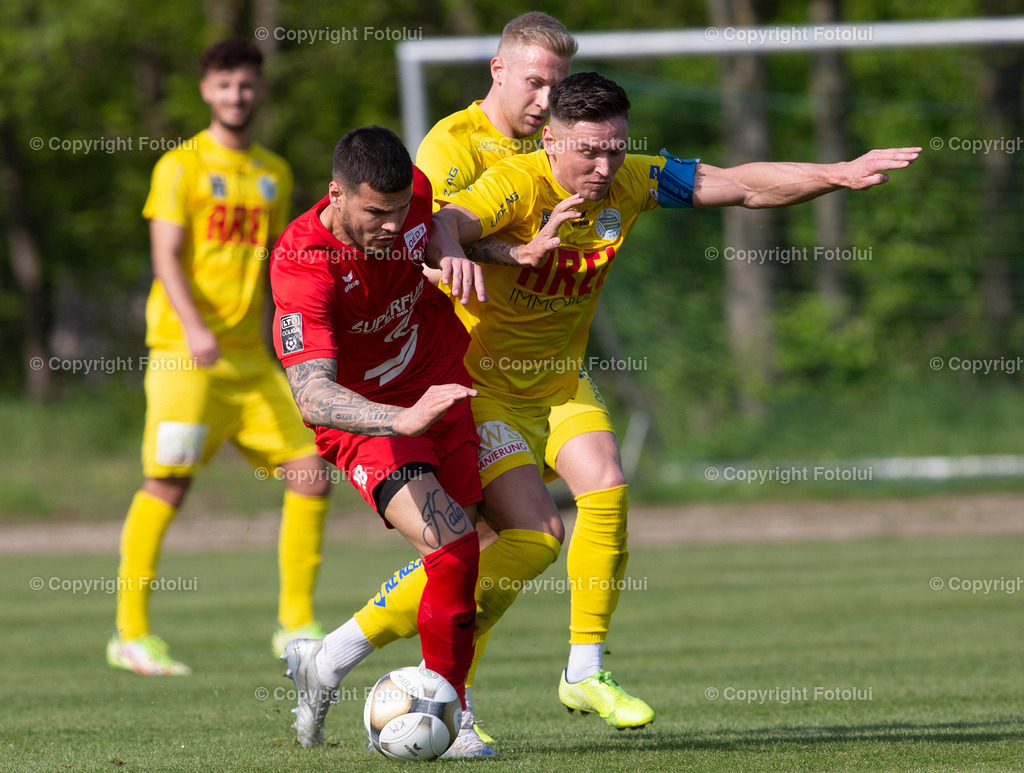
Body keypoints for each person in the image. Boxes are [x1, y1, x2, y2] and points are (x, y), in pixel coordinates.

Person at [324, 12, 658, 742]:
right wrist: (494, 252)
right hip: (465, 372)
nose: (547, 97)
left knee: (580, 500)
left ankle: (574, 668)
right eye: (536, 81)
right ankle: (413, 680)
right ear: (498, 72)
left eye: (558, 84)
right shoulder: (453, 144)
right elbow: (426, 237)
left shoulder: (575, 151)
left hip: (555, 373)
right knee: (488, 546)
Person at [106, 37, 331, 677]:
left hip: (250, 363)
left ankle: (295, 625)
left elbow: (273, 266)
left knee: (311, 470)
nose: (238, 95)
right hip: (186, 354)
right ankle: (130, 635)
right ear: (206, 90)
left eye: (248, 84)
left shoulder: (274, 172)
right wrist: (194, 327)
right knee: (168, 484)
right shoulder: (179, 166)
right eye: (226, 84)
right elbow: (165, 257)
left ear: (260, 90)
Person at [270, 126, 489, 753]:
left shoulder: (412, 195)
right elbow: (312, 393)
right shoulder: (302, 263)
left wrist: (503, 256)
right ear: (335, 194)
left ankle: (330, 659)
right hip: (369, 419)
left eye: (398, 211)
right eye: (374, 213)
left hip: (441, 382)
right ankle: (452, 715)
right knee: (452, 543)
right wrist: (399, 420)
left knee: (486, 548)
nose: (392, 225)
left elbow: (439, 228)